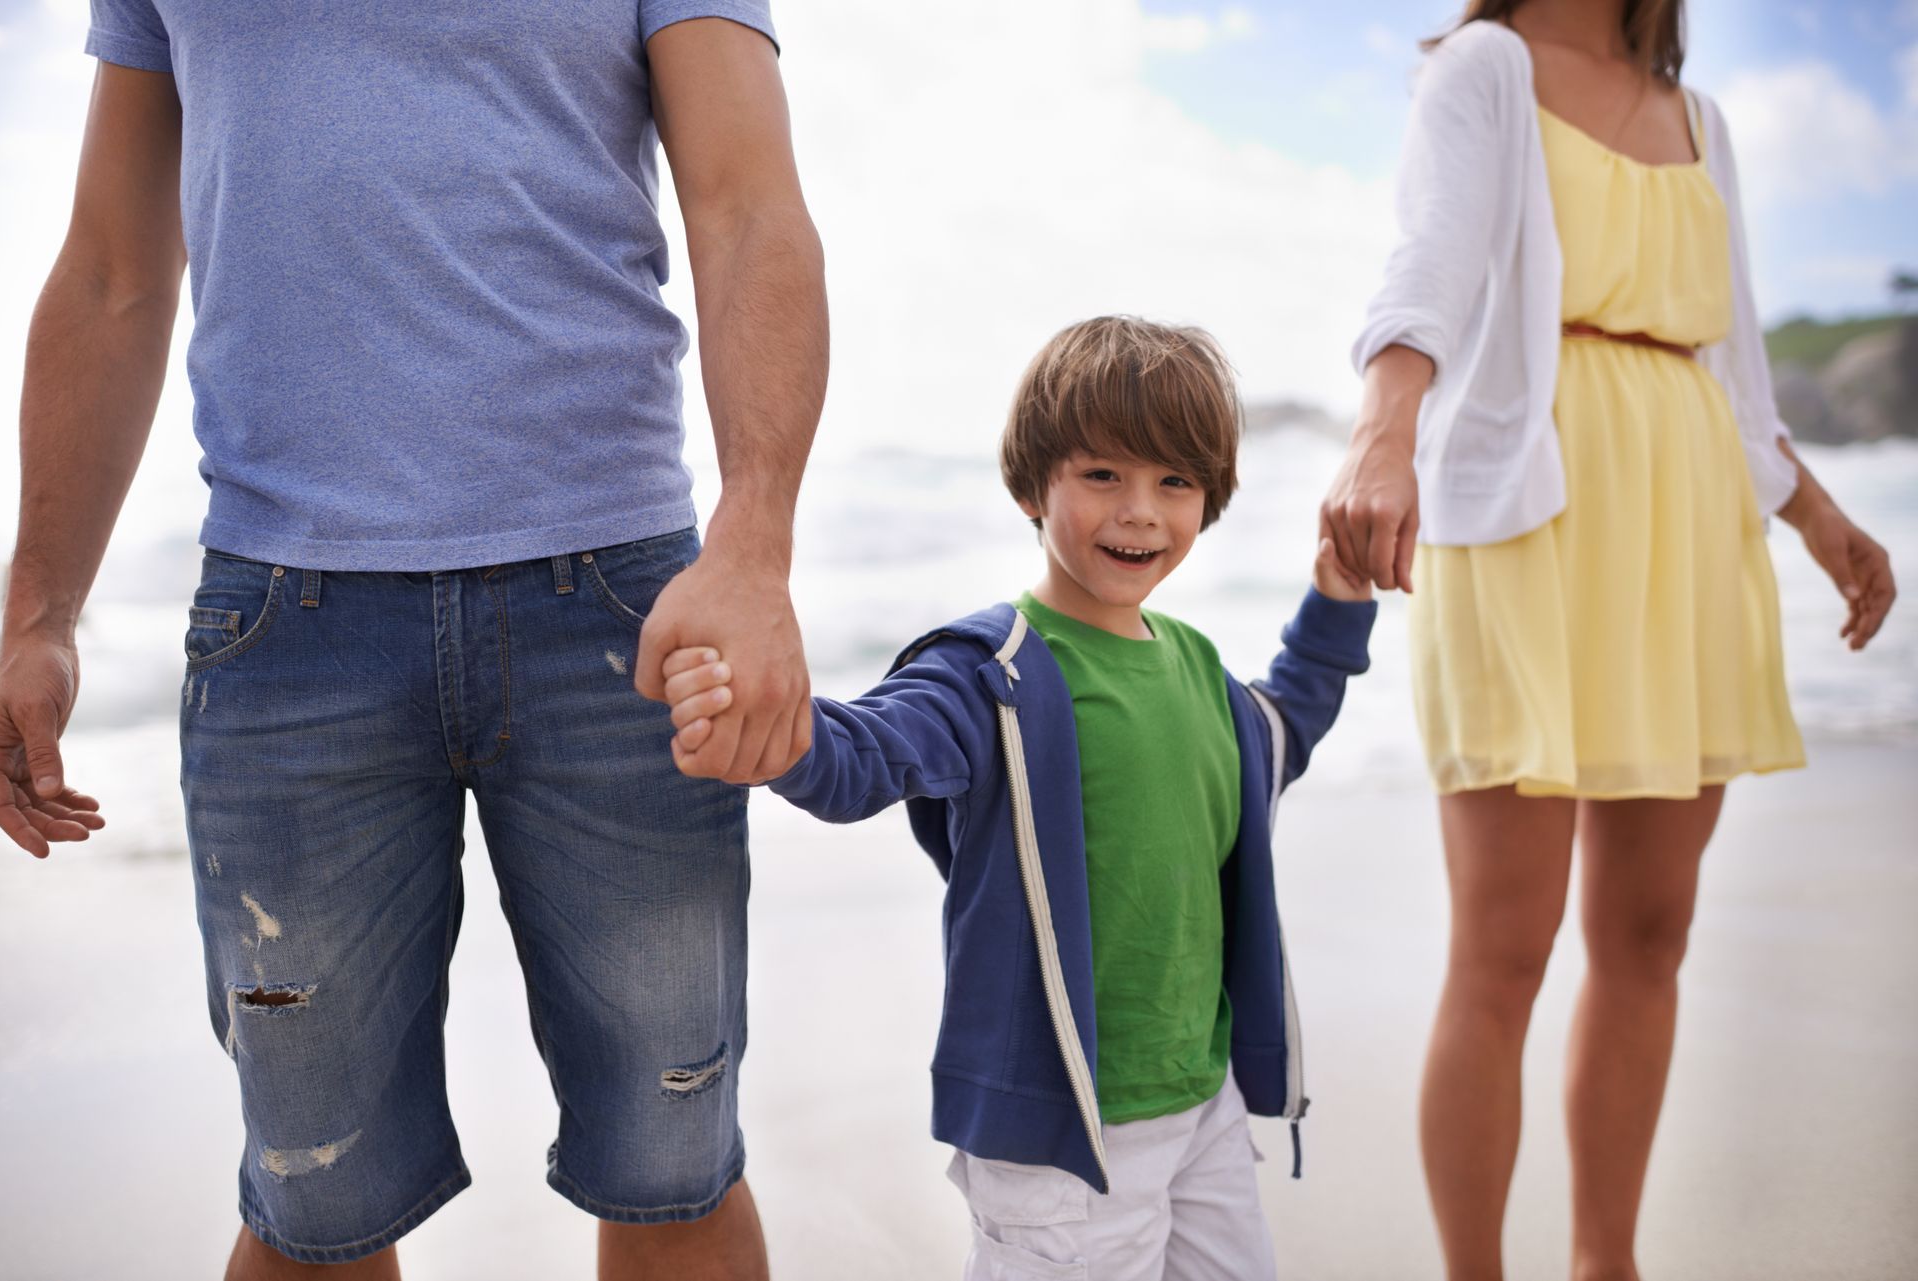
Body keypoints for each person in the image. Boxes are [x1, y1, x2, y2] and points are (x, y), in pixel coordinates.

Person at [0, 2, 825, 1277]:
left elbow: (746, 205)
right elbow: (114, 270)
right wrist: (39, 612)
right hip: (287, 630)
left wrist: (755, 543)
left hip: (614, 612)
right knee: (311, 1197)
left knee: (674, 1166)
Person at [1321, 2, 1897, 1279]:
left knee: (1649, 935)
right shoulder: (1487, 66)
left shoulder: (1705, 121)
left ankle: (1606, 1264)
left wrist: (1820, 515)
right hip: (1533, 520)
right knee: (1506, 946)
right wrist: (1382, 430)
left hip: (1691, 527)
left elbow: (1736, 370)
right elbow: (1428, 261)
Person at [666, 316, 1376, 1279]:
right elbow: (863, 755)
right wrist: (769, 727)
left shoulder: (1200, 670)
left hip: (1201, 1103)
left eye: (1174, 481)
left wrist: (1337, 601)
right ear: (1032, 483)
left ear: (1209, 501)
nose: (1140, 512)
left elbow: (1283, 728)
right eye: (1102, 476)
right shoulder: (991, 671)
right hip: (1061, 1132)